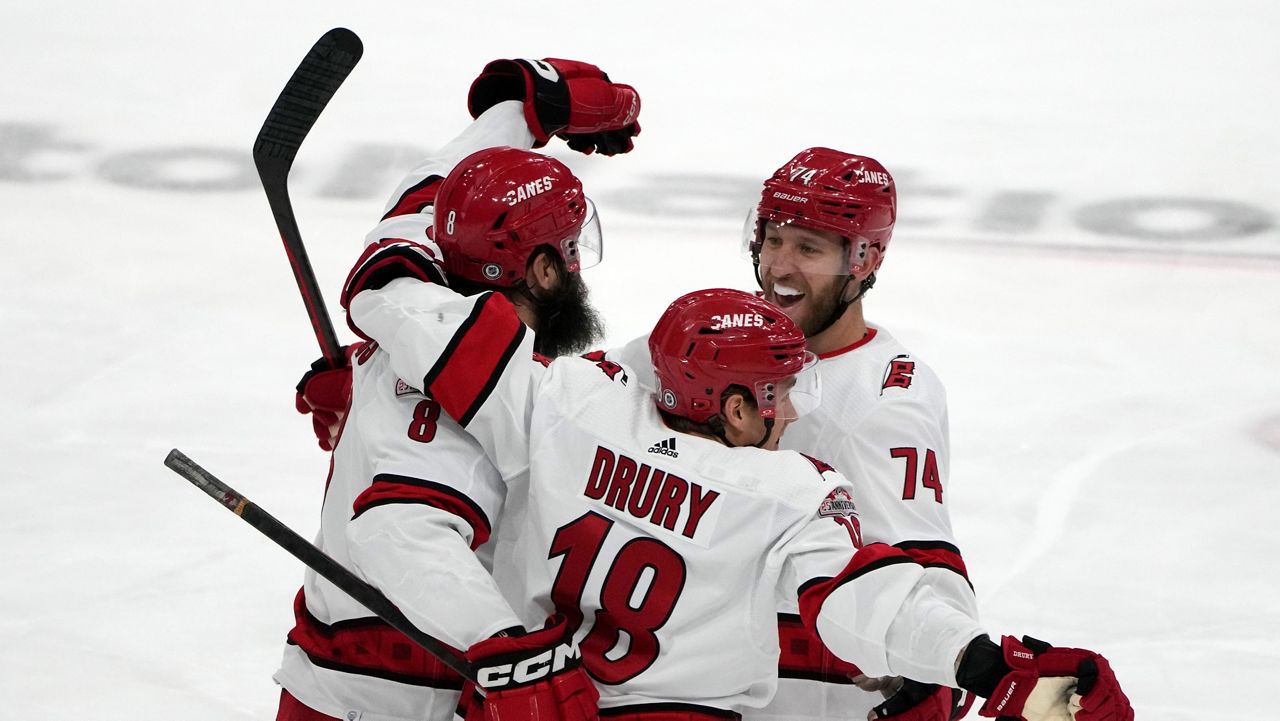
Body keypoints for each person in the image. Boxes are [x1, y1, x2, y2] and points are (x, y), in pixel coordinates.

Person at [343, 279, 1132, 721]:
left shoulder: (576, 402)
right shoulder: (791, 490)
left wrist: (370, 374)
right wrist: (987, 665)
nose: (792, 412)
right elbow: (868, 609)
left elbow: (422, 321)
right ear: (734, 408)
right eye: (779, 393)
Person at [275, 57, 640, 721]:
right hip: (398, 705)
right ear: (543, 270)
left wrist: (526, 108)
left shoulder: (412, 277)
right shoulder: (491, 387)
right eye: (569, 246)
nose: (579, 262)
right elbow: (399, 529)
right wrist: (505, 645)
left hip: (328, 686)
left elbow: (423, 198)